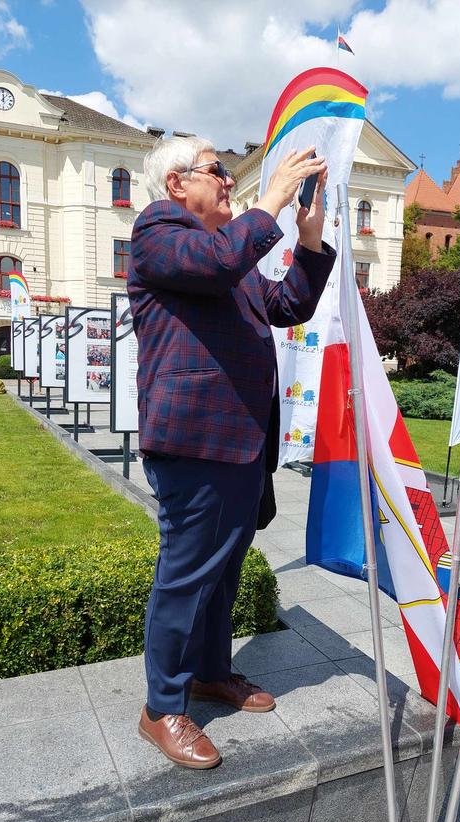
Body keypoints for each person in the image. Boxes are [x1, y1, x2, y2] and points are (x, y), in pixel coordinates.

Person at [127, 135, 335, 769]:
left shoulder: (229, 253)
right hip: (194, 440)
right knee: (187, 573)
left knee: (224, 571)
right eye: (218, 172)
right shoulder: (158, 233)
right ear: (176, 185)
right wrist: (269, 199)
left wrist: (308, 239)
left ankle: (211, 671)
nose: (226, 182)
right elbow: (217, 262)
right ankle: (162, 706)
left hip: (241, 442)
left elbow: (287, 304)